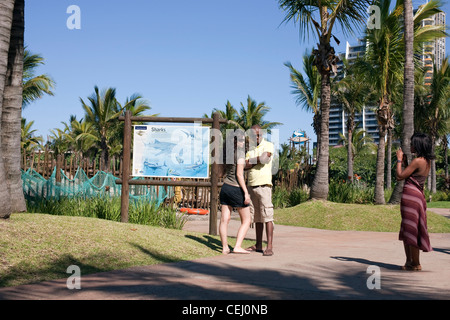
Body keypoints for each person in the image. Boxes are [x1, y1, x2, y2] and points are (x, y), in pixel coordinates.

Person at [396, 132, 434, 271]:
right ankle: (410, 262)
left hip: (411, 196)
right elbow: (413, 175)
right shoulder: (426, 161)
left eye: (412, 143)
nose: (411, 145)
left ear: (418, 145)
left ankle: (415, 263)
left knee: (410, 228)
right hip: (418, 196)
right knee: (411, 228)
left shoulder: (418, 161)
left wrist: (399, 160)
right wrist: (406, 163)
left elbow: (400, 176)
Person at [218, 130, 251, 254]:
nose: (242, 142)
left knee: (224, 219)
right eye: (240, 140)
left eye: (243, 140)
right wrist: (246, 192)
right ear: (235, 141)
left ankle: (225, 247)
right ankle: (237, 246)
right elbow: (239, 174)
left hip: (225, 187)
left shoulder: (227, 154)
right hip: (236, 188)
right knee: (247, 220)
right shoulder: (240, 154)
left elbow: (221, 173)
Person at [244, 125, 275, 256]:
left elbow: (264, 158)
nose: (256, 137)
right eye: (254, 135)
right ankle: (258, 244)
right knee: (257, 217)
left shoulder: (268, 145)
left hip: (264, 185)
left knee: (267, 216)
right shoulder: (250, 149)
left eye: (259, 135)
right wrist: (256, 160)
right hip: (252, 185)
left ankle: (269, 246)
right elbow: (245, 166)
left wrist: (252, 161)